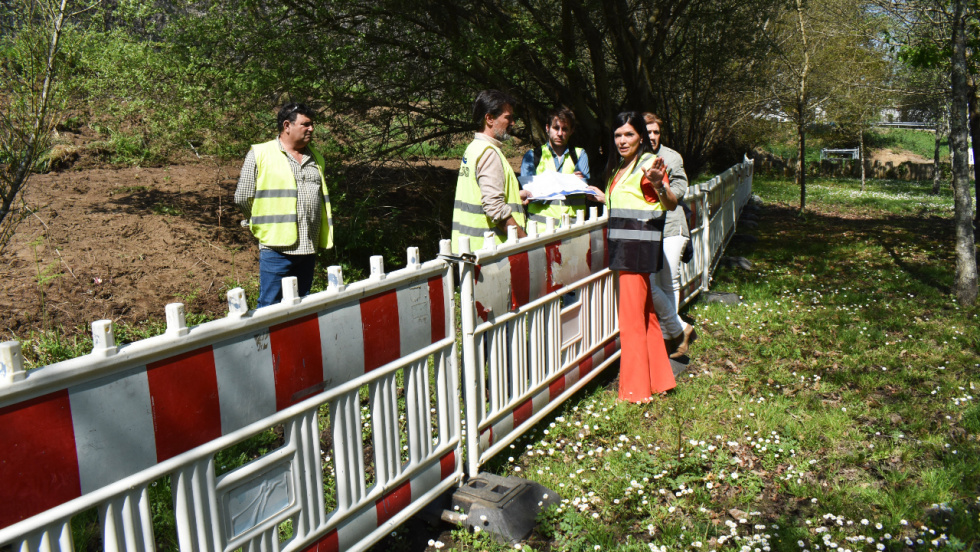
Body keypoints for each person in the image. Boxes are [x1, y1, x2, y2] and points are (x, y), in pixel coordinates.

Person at [604, 111, 679, 402]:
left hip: (633, 253)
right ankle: (660, 379)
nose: (622, 141)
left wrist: (660, 184)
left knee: (632, 321)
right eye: (618, 135)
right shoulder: (622, 168)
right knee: (647, 317)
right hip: (632, 252)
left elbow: (670, 203)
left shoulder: (648, 165)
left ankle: (634, 391)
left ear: (641, 137)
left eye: (629, 135)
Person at [235, 103, 334, 308]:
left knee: (301, 305)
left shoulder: (316, 158)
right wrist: (258, 224)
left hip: (308, 247)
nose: (311, 129)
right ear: (287, 125)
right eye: (305, 124)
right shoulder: (260, 153)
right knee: (270, 307)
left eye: (312, 124)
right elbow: (243, 197)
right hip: (276, 249)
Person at [643, 112, 697, 357]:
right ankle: (679, 330)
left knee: (668, 281)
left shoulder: (671, 157)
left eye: (656, 132)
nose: (652, 136)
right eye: (648, 131)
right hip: (648, 227)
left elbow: (680, 188)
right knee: (654, 282)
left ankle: (670, 337)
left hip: (672, 227)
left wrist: (660, 186)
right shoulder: (636, 157)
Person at [451, 90, 530, 253]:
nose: (513, 123)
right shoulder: (489, 153)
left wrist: (514, 195)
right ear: (490, 118)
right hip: (488, 254)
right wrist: (526, 242)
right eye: (508, 117)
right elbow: (495, 208)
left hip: (469, 251)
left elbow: (480, 194)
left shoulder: (474, 148)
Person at [519, 107, 603, 225]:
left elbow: (582, 188)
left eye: (564, 129)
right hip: (541, 228)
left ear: (571, 130)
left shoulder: (580, 154)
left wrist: (544, 184)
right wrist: (570, 180)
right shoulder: (532, 156)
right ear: (547, 128)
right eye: (556, 128)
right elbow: (530, 194)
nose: (560, 133)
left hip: (574, 225)